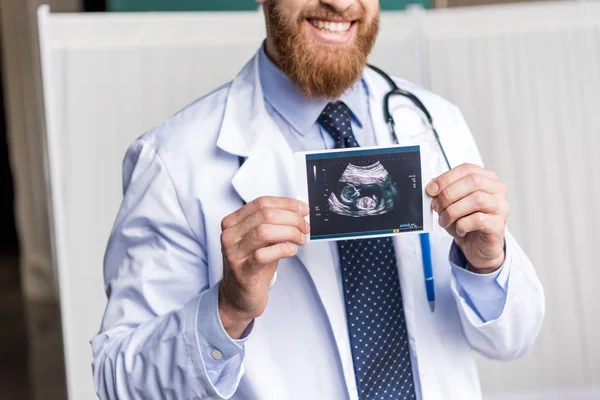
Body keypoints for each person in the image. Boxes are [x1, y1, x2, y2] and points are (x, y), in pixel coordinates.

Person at [91, 0, 545, 399]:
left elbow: (513, 339)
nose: (341, 2)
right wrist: (226, 312)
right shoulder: (173, 160)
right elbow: (118, 380)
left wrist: (488, 264)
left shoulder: (435, 122)